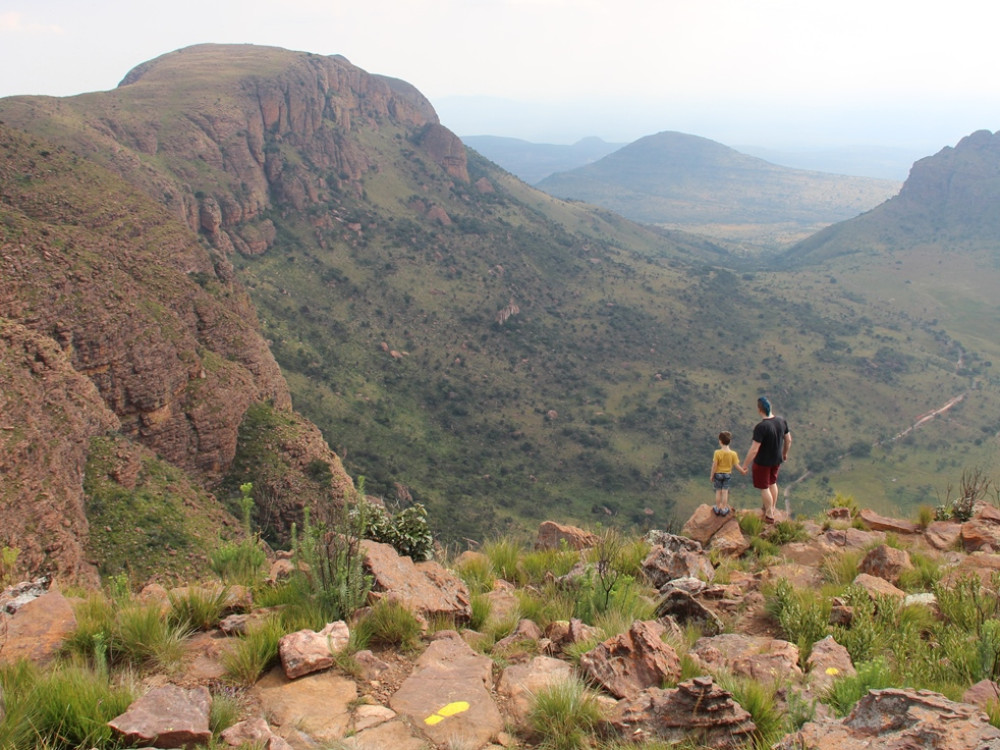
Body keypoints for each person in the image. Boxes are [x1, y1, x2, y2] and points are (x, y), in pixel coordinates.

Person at [741, 396, 791, 523]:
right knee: (773, 483)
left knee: (764, 487)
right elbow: (788, 439)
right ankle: (772, 507)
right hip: (776, 459)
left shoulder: (761, 427)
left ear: (759, 410)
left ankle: (769, 513)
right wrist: (784, 453)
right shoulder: (781, 421)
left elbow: (754, 449)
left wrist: (745, 465)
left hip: (763, 462)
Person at [710, 430, 746, 516]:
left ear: (720, 441)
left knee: (718, 491)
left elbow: (714, 465)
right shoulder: (733, 454)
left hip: (718, 474)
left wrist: (712, 476)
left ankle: (717, 508)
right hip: (727, 475)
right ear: (729, 441)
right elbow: (736, 465)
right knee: (725, 492)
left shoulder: (717, 453)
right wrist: (742, 471)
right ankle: (723, 509)